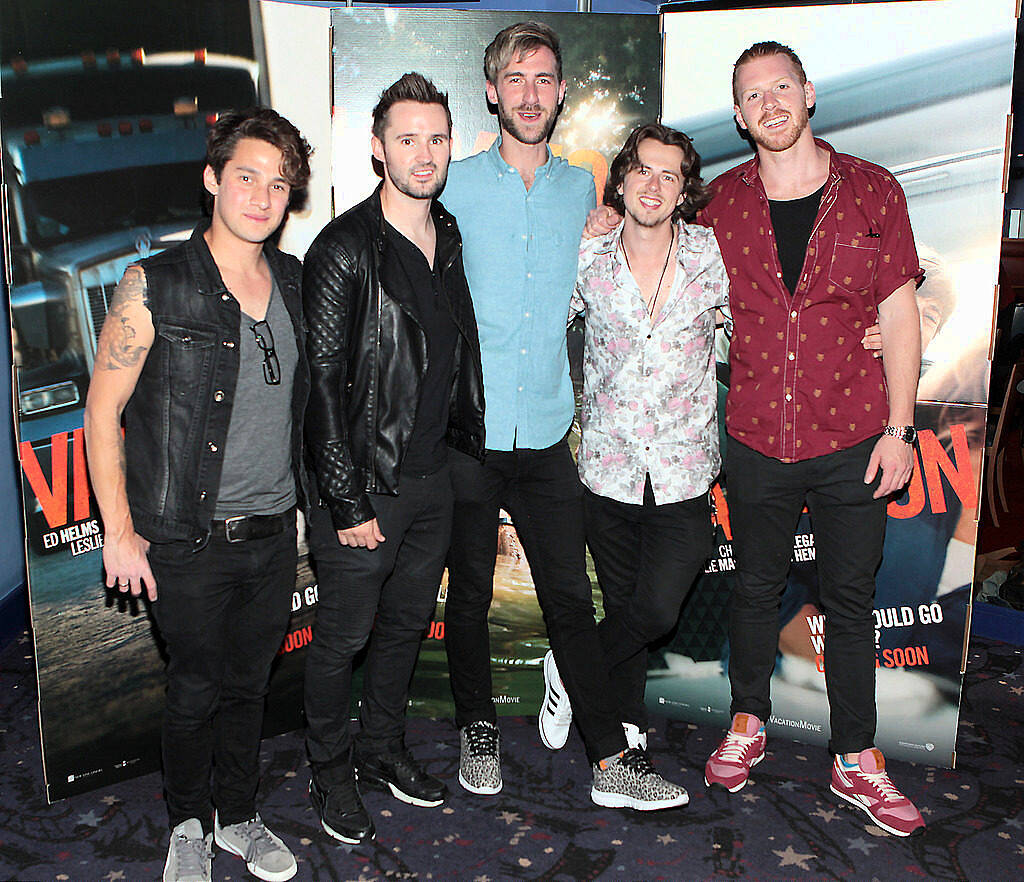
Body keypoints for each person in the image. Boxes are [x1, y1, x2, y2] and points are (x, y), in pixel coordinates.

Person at [440, 20, 683, 811]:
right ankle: (477, 728)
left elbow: (633, 258)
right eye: (516, 79)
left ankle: (610, 761)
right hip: (468, 434)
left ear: (562, 91)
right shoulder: (452, 184)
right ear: (492, 91)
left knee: (572, 605)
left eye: (544, 79)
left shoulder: (585, 189)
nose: (531, 93)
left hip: (548, 435)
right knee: (469, 595)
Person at [696, 41, 926, 837]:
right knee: (755, 587)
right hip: (757, 435)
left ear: (809, 93)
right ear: (738, 113)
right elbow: (660, 262)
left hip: (854, 434)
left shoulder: (873, 191)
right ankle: (747, 719)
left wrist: (902, 430)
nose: (769, 104)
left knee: (851, 600)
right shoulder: (718, 204)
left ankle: (855, 755)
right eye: (752, 95)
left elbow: (898, 315)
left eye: (781, 88)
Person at [84, 108, 312, 882]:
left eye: (278, 183)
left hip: (274, 533)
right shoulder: (157, 283)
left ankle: (239, 817)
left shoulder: (294, 279)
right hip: (185, 538)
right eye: (245, 176)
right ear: (213, 179)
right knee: (194, 689)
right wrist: (119, 530)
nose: (261, 195)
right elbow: (102, 411)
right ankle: (187, 820)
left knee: (250, 687)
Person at [301, 73, 485, 846]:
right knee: (342, 638)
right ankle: (329, 770)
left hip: (432, 477)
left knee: (407, 626)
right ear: (377, 149)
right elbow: (320, 387)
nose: (424, 152)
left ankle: (381, 750)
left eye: (436, 137)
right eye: (406, 138)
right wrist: (346, 505)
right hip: (364, 486)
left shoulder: (448, 233)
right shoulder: (343, 248)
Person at [571, 123, 727, 797]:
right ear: (622, 178)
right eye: (643, 170)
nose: (654, 185)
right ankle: (624, 743)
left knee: (655, 611)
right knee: (628, 603)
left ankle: (572, 669)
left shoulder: (711, 255)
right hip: (606, 467)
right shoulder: (588, 259)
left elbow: (752, 332)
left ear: (684, 189)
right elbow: (540, 326)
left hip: (685, 467)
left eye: (669, 175)